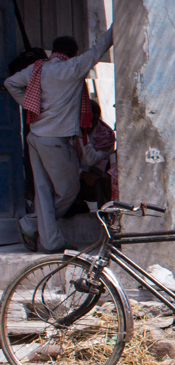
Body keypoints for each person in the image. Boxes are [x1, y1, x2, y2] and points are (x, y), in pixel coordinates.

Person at [4, 28, 113, 252]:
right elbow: (98, 49)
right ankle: (33, 224)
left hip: (35, 136)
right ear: (73, 54)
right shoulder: (71, 68)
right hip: (54, 140)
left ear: (53, 51)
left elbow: (10, 83)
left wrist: (30, 104)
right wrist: (115, 27)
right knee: (69, 190)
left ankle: (48, 239)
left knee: (43, 190)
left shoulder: (37, 69)